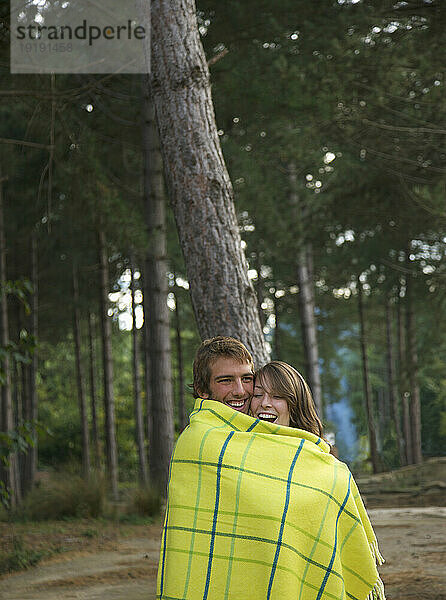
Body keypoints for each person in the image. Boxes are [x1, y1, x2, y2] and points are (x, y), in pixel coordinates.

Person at [157, 342, 385, 600]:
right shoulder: (201, 441)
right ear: (202, 389)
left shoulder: (314, 461)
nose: (240, 391)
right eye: (225, 380)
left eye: (246, 379)